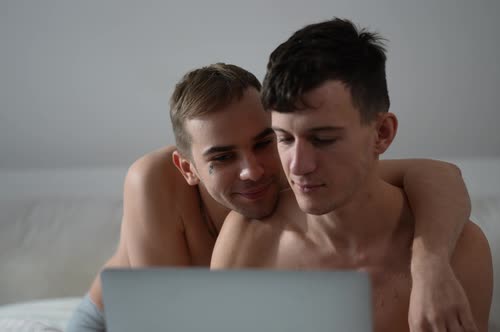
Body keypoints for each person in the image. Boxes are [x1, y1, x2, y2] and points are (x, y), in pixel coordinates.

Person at [67, 62, 474, 331]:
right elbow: (165, 323)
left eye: (264, 142)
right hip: (114, 322)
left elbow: (440, 175)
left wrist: (430, 264)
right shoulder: (152, 179)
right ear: (188, 168)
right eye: (223, 156)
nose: (254, 169)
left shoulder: (295, 170)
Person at [211, 19, 493, 332]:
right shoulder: (248, 238)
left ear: (382, 134)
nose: (297, 166)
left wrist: (430, 265)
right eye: (285, 139)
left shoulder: (462, 252)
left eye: (323, 139)